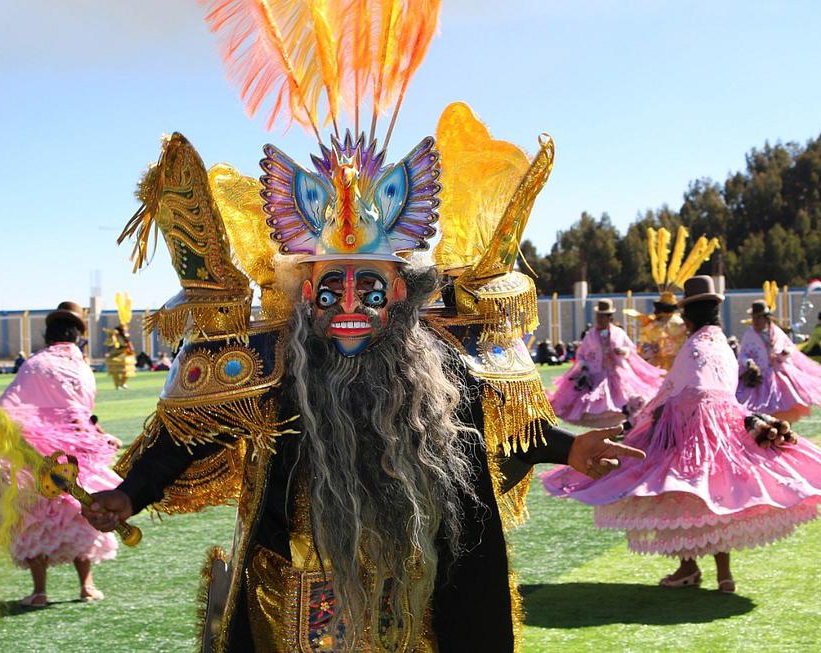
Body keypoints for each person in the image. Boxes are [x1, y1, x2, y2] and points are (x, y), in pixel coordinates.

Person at [78, 40, 646, 648]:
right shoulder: (274, 364)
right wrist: (128, 492)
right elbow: (189, 437)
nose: (348, 306)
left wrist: (570, 446)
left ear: (400, 290)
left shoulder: (447, 365)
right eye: (330, 290)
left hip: (417, 588)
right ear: (304, 293)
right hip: (292, 592)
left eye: (369, 288)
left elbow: (498, 438)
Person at [542, 276, 821, 593]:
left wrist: (642, 421)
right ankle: (724, 576)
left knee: (679, 494)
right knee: (718, 495)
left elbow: (673, 390)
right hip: (725, 424)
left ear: (688, 316)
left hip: (687, 426)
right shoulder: (723, 343)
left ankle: (688, 567)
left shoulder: (694, 344)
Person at [0, 301, 120, 607]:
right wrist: (102, 435)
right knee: (82, 513)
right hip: (78, 449)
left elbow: (7, 407)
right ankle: (86, 586)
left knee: (35, 517)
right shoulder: (81, 368)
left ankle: (39, 592)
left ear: (47, 335)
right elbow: (83, 413)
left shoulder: (35, 365)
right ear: (78, 336)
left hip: (36, 450)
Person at [549, 299, 665, 427]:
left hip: (618, 374)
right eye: (598, 316)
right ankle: (606, 429)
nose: (599, 319)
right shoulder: (590, 335)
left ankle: (621, 426)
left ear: (609, 317)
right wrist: (583, 365)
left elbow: (631, 349)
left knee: (623, 401)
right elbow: (581, 353)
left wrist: (623, 351)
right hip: (595, 375)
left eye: (602, 316)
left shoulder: (619, 333)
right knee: (598, 404)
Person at [628, 226, 719, 371]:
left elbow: (644, 349)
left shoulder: (668, 323)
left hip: (670, 368)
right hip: (669, 369)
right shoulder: (676, 323)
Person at [737, 300, 821, 422]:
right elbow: (742, 355)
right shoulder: (750, 335)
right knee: (759, 413)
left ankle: (782, 431)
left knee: (783, 408)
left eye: (758, 318)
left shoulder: (776, 332)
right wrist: (749, 363)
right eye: (754, 318)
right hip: (758, 378)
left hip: (779, 376)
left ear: (766, 318)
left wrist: (784, 353)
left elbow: (790, 346)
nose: (755, 321)